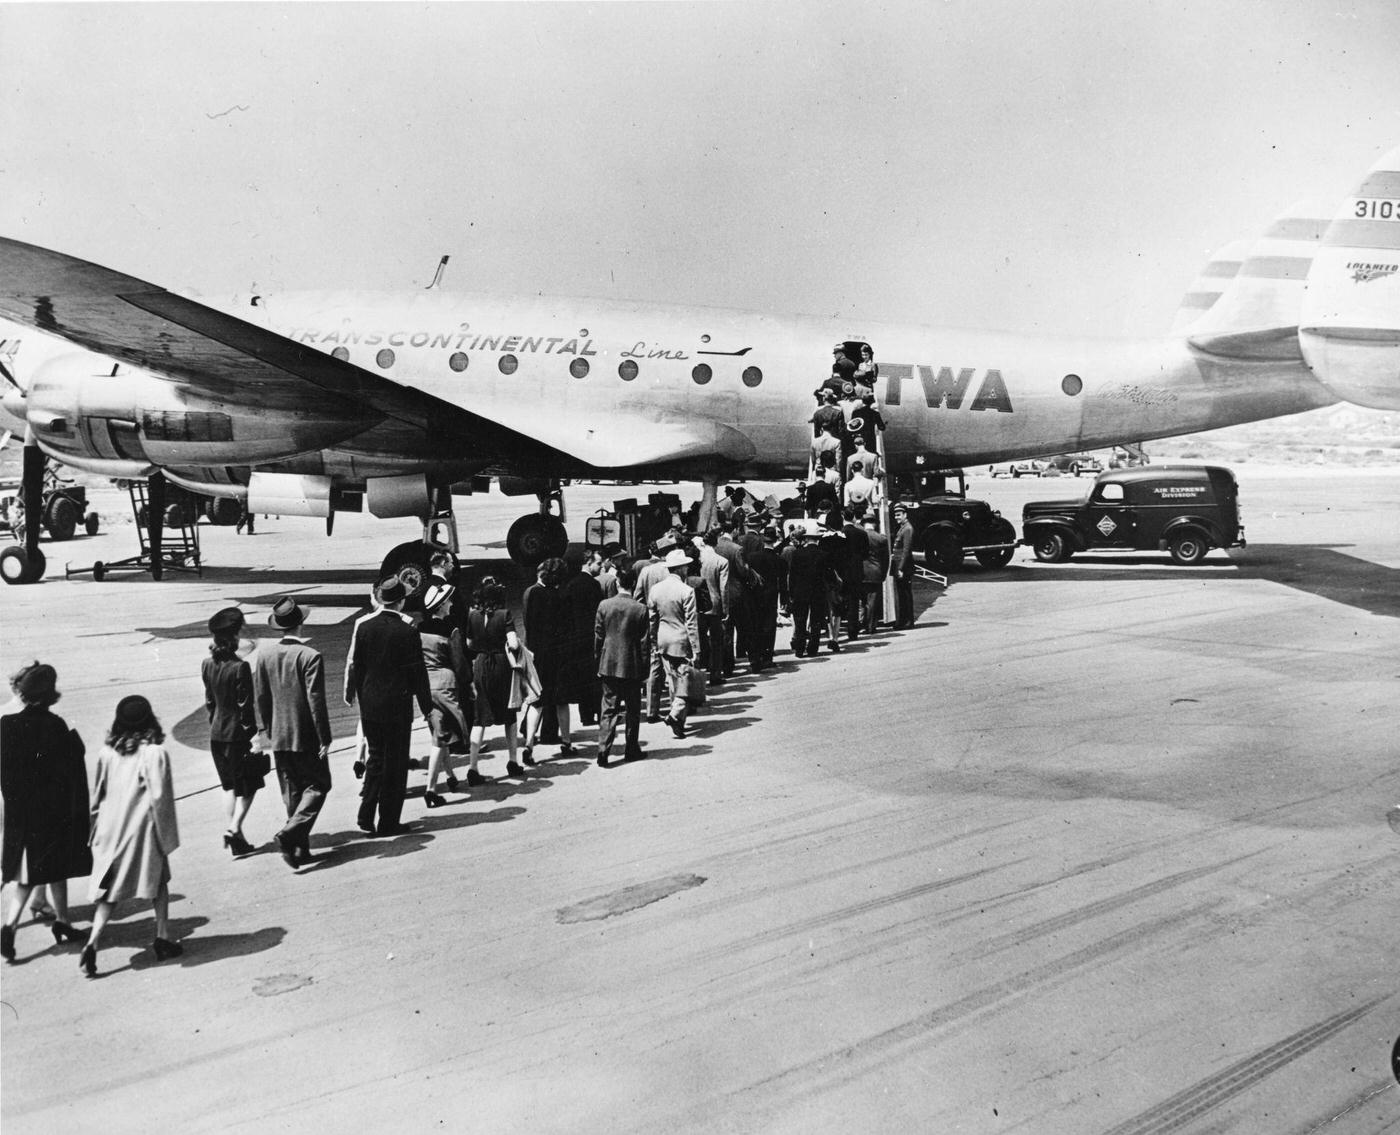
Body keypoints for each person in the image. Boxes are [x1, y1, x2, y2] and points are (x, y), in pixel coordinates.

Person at [82, 695, 182, 977]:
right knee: (159, 880)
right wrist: (167, 838)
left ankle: (93, 941)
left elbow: (97, 794)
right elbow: (160, 797)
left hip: (111, 828)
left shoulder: (107, 753)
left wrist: (94, 830)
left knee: (110, 891)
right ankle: (162, 937)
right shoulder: (154, 753)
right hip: (142, 829)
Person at [1, 663, 91, 961]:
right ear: (50, 695)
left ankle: (53, 922)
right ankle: (27, 924)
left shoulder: (6, 725)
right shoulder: (55, 726)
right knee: (47, 869)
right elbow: (67, 776)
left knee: (42, 871)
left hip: (20, 813)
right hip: (51, 816)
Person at [344, 576, 432, 836]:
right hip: (397, 706)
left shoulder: (363, 627)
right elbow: (417, 673)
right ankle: (388, 821)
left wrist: (362, 697)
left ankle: (365, 812)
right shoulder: (407, 630)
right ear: (401, 601)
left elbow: (357, 666)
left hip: (371, 705)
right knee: (395, 765)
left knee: (376, 759)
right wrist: (427, 708)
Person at [253, 597, 333, 867]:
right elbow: (316, 702)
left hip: (279, 735)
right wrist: (324, 737)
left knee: (292, 791)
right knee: (319, 785)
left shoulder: (263, 656)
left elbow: (261, 697)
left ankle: (299, 849)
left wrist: (269, 731)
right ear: (301, 624)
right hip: (306, 735)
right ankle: (289, 834)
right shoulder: (310, 656)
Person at [202, 607, 264, 857]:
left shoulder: (207, 664)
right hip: (237, 736)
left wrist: (216, 724)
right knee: (250, 786)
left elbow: (209, 702)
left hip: (217, 734)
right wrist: (253, 736)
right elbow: (244, 706)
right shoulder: (240, 668)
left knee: (229, 787)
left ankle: (238, 839)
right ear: (235, 637)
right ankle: (233, 828)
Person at [418, 582, 472, 807]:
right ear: (440, 606)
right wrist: (469, 683)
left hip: (425, 685)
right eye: (448, 601)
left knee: (439, 733)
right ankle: (430, 789)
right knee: (441, 738)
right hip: (446, 685)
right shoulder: (451, 630)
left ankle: (450, 777)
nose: (451, 603)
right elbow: (459, 663)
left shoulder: (418, 629)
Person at [465, 576, 523, 781]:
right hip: (501, 665)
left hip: (481, 664)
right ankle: (513, 761)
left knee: (479, 717)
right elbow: (514, 644)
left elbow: (469, 643)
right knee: (509, 714)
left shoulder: (473, 615)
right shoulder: (504, 614)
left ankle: (473, 767)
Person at [521, 557, 575, 765]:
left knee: (538, 702)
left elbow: (530, 626)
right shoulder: (560, 595)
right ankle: (566, 742)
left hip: (538, 656)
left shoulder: (531, 593)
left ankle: (528, 744)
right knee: (562, 701)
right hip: (559, 656)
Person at [593, 563, 648, 767]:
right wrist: (645, 669)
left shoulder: (604, 606)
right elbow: (644, 643)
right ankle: (631, 748)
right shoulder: (640, 609)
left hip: (608, 664)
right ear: (633, 584)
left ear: (617, 583)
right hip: (632, 666)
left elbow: (598, 637)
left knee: (608, 709)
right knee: (633, 710)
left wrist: (598, 661)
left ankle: (603, 750)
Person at [647, 548, 702, 739]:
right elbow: (691, 622)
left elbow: (652, 619)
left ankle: (678, 721)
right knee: (686, 682)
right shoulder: (686, 591)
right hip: (681, 640)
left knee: (672, 681)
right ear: (680, 569)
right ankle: (675, 715)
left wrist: (653, 640)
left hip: (663, 640)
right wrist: (696, 648)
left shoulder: (656, 589)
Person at [559, 547, 603, 729]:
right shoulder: (593, 585)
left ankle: (585, 715)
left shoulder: (570, 585)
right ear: (588, 563)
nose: (600, 567)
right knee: (596, 677)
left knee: (583, 678)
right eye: (598, 563)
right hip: (591, 638)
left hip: (575, 639)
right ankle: (599, 712)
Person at [745, 527, 785, 671]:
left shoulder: (752, 557)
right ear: (774, 541)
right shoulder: (778, 559)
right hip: (771, 596)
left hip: (755, 595)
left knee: (755, 625)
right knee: (769, 627)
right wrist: (785, 599)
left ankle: (755, 657)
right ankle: (766, 656)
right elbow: (782, 582)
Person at [786, 528, 829, 658]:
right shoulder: (823, 554)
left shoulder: (798, 554)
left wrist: (791, 592)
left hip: (800, 591)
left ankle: (799, 648)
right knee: (816, 620)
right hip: (817, 591)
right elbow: (826, 575)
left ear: (806, 539)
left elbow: (792, 575)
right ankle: (813, 648)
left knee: (800, 620)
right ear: (817, 539)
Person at [696, 531, 729, 684]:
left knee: (699, 639)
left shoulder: (697, 559)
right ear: (716, 543)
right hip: (715, 604)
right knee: (716, 641)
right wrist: (725, 608)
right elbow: (724, 588)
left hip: (698, 604)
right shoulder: (721, 561)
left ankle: (700, 673)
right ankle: (715, 673)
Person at [861, 513, 891, 633]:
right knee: (873, 600)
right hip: (876, 572)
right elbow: (886, 559)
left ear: (864, 524)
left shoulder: (860, 536)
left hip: (861, 572)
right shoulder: (881, 538)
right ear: (874, 524)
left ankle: (862, 623)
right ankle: (871, 626)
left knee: (862, 601)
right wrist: (883, 574)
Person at [892, 503, 917, 629]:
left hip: (904, 566)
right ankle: (903, 620)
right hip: (900, 565)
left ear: (905, 515)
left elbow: (906, 550)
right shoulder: (903, 527)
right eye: (895, 515)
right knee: (902, 594)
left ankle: (907, 621)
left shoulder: (907, 529)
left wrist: (900, 568)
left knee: (905, 595)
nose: (896, 517)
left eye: (899, 515)